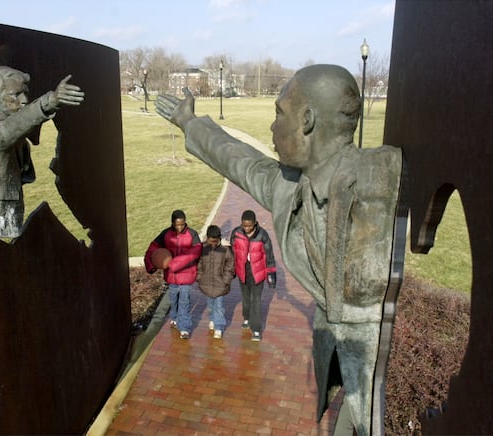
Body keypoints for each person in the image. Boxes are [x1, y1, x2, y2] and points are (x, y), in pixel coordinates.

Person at [155, 64, 402, 435]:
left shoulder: (381, 174)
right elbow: (239, 160)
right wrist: (190, 123)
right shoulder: (289, 187)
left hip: (368, 353)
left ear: (306, 120)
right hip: (333, 351)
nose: (272, 128)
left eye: (278, 114)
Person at [0, 66, 85, 238]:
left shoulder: (11, 121)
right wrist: (49, 101)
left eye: (25, 93)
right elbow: (12, 129)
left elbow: (24, 123)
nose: (24, 99)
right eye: (16, 95)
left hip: (10, 199)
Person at [144, 209, 202, 339]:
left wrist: (175, 263)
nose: (180, 227)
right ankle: (174, 318)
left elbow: (196, 251)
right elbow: (153, 248)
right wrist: (151, 265)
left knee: (184, 301)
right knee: (173, 299)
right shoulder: (165, 234)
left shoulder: (192, 234)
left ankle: (184, 328)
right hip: (171, 277)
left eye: (182, 224)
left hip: (186, 275)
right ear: (172, 223)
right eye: (177, 224)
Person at [230, 210, 276, 341]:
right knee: (245, 297)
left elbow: (269, 256)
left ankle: (256, 329)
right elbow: (233, 252)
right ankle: (246, 317)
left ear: (255, 223)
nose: (247, 228)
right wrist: (231, 270)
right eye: (244, 225)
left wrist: (271, 275)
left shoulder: (263, 235)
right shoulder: (236, 233)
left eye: (249, 226)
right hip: (242, 271)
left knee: (256, 300)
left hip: (258, 272)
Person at [196, 224, 235, 339]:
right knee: (210, 305)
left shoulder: (225, 249)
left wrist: (226, 280)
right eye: (211, 241)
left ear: (219, 238)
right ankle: (212, 319)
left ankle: (219, 326)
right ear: (207, 238)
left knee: (219, 307)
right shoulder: (202, 248)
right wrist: (199, 276)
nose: (213, 244)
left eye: (215, 241)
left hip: (220, 284)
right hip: (206, 283)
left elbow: (230, 264)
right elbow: (198, 263)